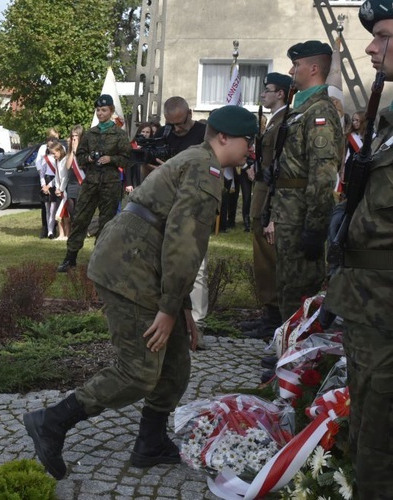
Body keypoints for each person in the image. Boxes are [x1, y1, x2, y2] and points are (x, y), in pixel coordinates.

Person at [24, 106, 258, 479]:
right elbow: (182, 247)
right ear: (224, 138)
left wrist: (179, 309)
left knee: (175, 362)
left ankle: (149, 443)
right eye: (249, 141)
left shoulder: (201, 161)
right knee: (138, 371)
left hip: (143, 262)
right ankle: (52, 421)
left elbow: (175, 245)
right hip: (129, 268)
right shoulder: (204, 169)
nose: (251, 149)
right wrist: (168, 308)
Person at [324, 3, 393, 496]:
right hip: (370, 306)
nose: (371, 46)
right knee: (371, 422)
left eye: (385, 35)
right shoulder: (386, 120)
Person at [270, 40, 343, 321]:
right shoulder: (300, 109)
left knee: (300, 286)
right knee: (287, 281)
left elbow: (322, 173)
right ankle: (285, 344)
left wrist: (314, 227)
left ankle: (297, 352)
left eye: (296, 65)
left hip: (302, 215)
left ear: (313, 68)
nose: (291, 70)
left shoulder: (319, 111)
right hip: (289, 212)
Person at [241, 73, 291, 341]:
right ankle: (268, 315)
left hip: (270, 199)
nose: (263, 94)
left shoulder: (286, 121)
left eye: (268, 90)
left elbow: (282, 168)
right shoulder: (273, 122)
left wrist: (272, 213)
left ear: (281, 94)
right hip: (261, 195)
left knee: (270, 261)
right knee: (262, 262)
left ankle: (274, 320)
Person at [57, 95, 130, 271]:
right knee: (81, 219)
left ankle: (100, 258)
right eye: (98, 110)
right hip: (90, 183)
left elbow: (127, 159)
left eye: (104, 110)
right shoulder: (90, 134)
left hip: (110, 184)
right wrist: (89, 157)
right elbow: (79, 157)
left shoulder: (119, 134)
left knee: (107, 222)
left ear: (111, 111)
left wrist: (110, 159)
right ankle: (70, 257)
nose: (100, 113)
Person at [161, 97, 209, 347]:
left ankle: (197, 323)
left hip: (195, 205)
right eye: (172, 124)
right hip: (167, 204)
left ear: (190, 113)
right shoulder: (164, 134)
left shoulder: (204, 134)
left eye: (181, 123)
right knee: (166, 263)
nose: (177, 129)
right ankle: (170, 319)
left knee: (197, 266)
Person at [56, 125, 84, 240]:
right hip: (71, 185)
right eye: (72, 136)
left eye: (76, 136)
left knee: (80, 210)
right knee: (72, 210)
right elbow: (68, 166)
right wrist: (72, 151)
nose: (73, 139)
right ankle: (74, 232)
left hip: (81, 183)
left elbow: (82, 165)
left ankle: (80, 232)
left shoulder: (84, 149)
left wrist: (77, 150)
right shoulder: (69, 151)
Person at [38, 139, 65, 239]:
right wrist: (43, 185)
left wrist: (49, 185)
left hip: (54, 182)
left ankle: (51, 230)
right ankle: (49, 230)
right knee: (47, 208)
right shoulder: (45, 158)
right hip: (47, 180)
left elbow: (59, 173)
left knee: (54, 208)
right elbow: (42, 173)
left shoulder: (59, 158)